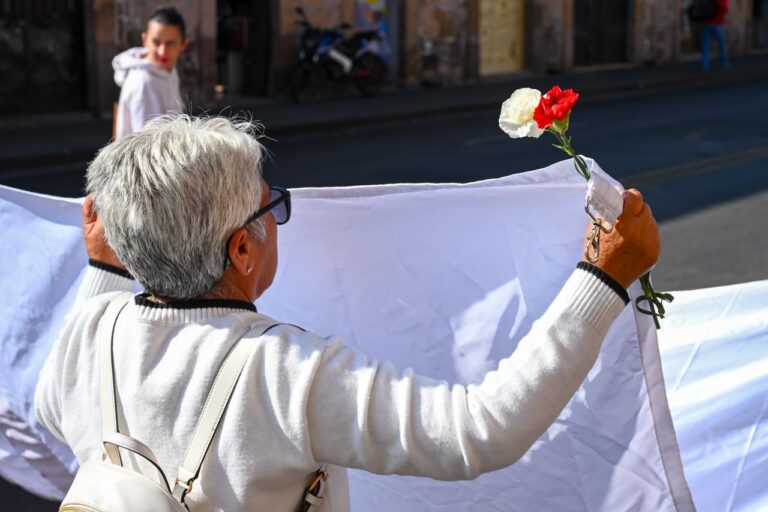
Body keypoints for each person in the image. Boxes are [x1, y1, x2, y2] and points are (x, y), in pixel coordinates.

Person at [34, 114, 660, 511]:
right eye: (270, 207)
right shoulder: (287, 372)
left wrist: (106, 267)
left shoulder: (93, 326)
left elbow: (51, 410)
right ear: (243, 249)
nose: (279, 218)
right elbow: (481, 431)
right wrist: (602, 279)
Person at [112, 7, 188, 139]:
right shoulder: (142, 82)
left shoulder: (168, 69)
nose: (162, 52)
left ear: (183, 44)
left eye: (170, 44)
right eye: (156, 42)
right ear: (144, 39)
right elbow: (146, 143)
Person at [701, 0, 730, 70]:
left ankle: (705, 64)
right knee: (722, 45)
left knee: (706, 45)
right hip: (718, 23)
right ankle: (724, 63)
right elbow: (725, 9)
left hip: (707, 23)